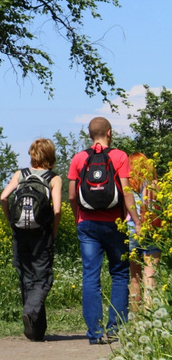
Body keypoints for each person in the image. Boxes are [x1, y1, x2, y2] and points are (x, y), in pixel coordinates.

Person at [68, 117, 140, 345]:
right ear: (109, 133)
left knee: (91, 276)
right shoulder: (119, 156)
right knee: (119, 274)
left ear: (90, 135)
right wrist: (136, 220)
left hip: (87, 224)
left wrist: (77, 217)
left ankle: (95, 334)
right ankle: (115, 329)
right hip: (115, 224)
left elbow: (72, 195)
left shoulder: (79, 158)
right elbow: (127, 192)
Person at [0, 138, 62, 342]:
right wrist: (53, 232)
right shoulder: (54, 178)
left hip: (20, 231)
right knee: (43, 278)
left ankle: (36, 331)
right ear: (51, 155)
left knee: (27, 277)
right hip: (41, 233)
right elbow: (57, 210)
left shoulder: (20, 174)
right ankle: (30, 311)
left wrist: (10, 220)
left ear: (32, 154)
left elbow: (3, 197)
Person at [127, 152, 161, 311]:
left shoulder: (126, 185)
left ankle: (135, 319)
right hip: (150, 230)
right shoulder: (154, 183)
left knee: (134, 278)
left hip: (130, 230)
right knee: (150, 279)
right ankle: (149, 318)